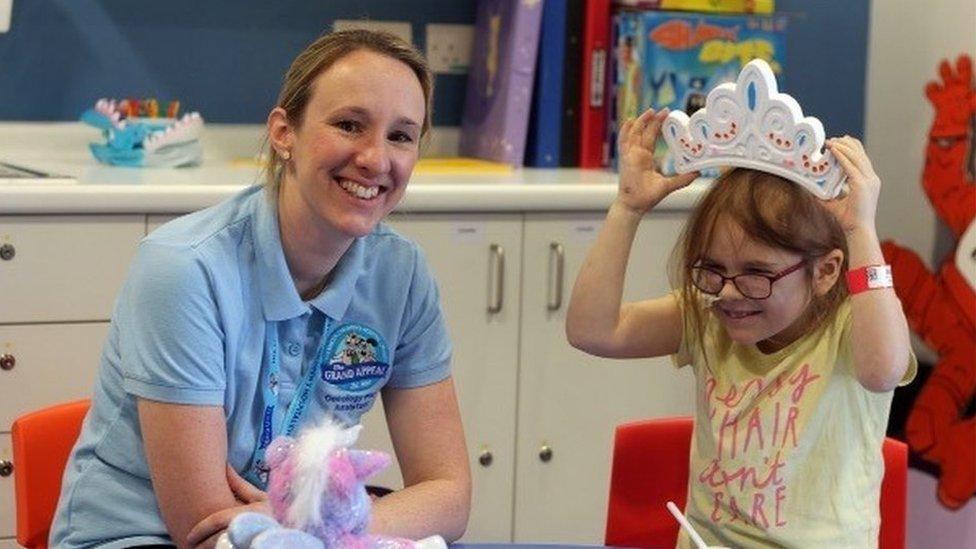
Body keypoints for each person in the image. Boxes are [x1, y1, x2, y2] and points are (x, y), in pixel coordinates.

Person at [50, 29, 471, 548]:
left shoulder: (401, 276)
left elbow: (448, 494)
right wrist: (329, 526)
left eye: (401, 136)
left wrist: (337, 526)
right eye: (348, 124)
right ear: (283, 132)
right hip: (139, 537)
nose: (375, 159)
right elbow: (201, 525)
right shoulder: (184, 269)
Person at [566, 107, 916, 547]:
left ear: (826, 272)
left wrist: (861, 230)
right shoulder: (707, 316)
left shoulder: (851, 330)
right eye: (712, 269)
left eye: (757, 273)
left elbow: (882, 370)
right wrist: (627, 208)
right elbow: (592, 330)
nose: (729, 293)